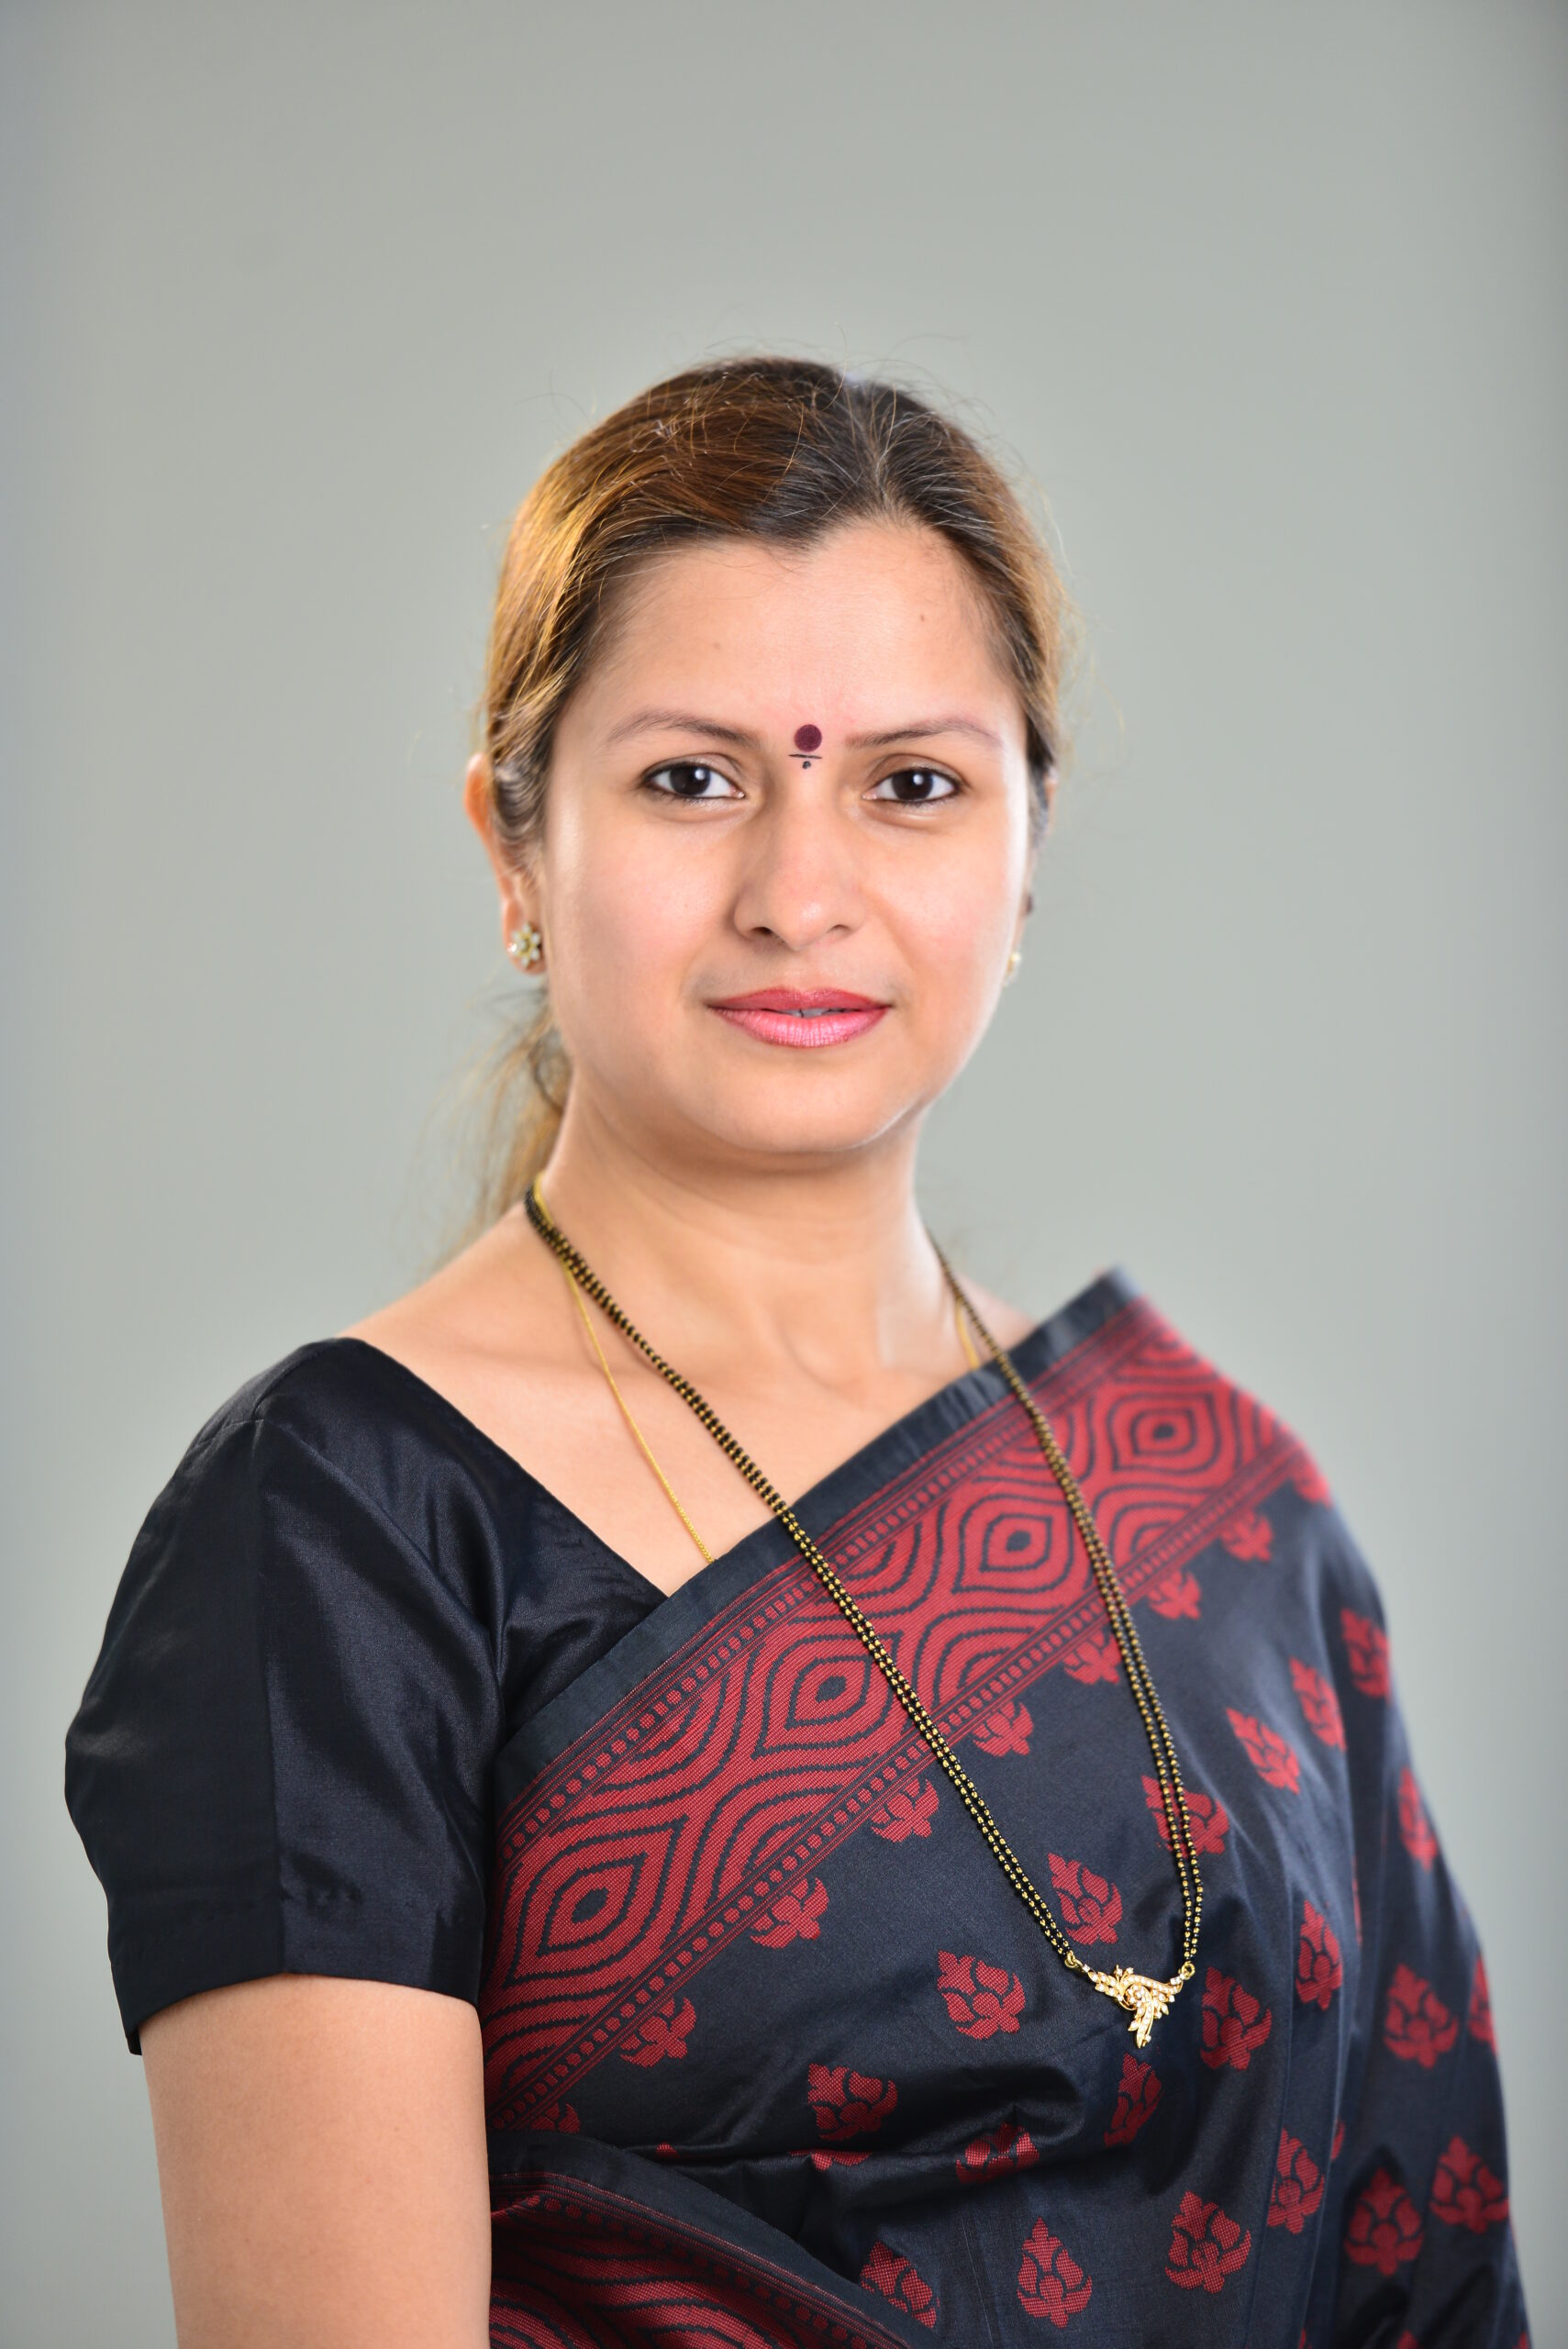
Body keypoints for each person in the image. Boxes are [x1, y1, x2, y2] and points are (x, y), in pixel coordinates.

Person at [65, 356, 1528, 2348]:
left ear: (1028, 844)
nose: (800, 894)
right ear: (512, 845)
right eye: (692, 778)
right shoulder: (343, 1531)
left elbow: (1433, 2270)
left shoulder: (1224, 1499)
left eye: (910, 784)